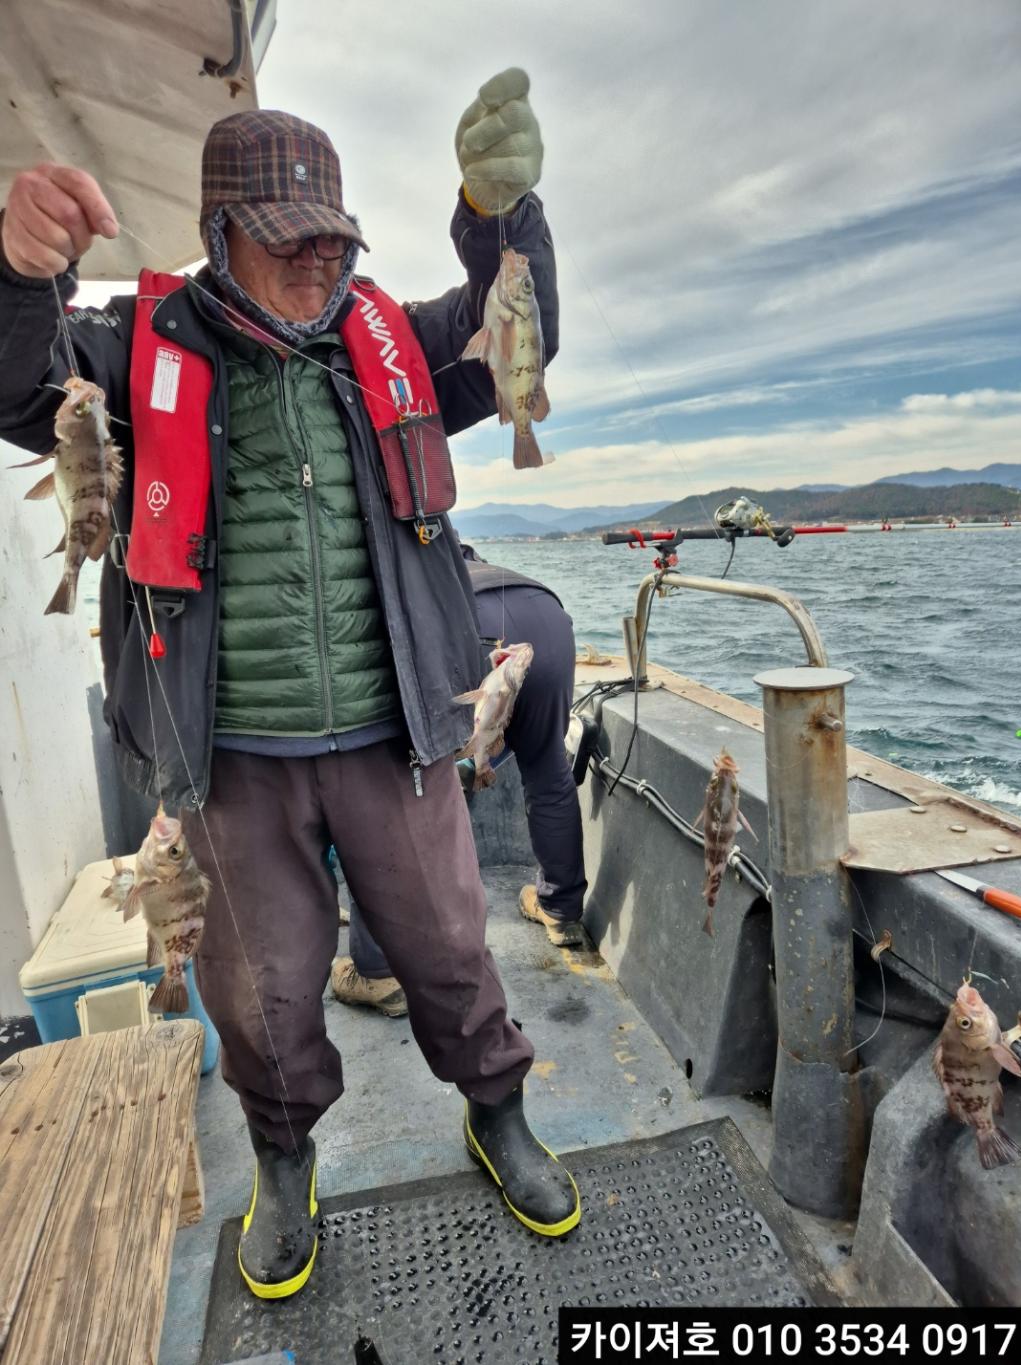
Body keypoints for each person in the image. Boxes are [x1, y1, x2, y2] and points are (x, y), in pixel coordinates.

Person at [0, 70, 579, 1301]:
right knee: (257, 992)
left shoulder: (393, 344)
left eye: (334, 239)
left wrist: (501, 217)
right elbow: (15, 388)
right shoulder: (131, 348)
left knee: (451, 950)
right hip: (228, 757)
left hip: (393, 737)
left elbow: (511, 330)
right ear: (220, 238)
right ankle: (282, 1156)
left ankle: (499, 1110)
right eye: (288, 243)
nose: (319, 262)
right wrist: (14, 272)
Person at [333, 549, 587, 1017]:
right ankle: (561, 909)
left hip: (472, 631)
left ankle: (377, 970)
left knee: (392, 793)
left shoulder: (411, 574)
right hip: (552, 622)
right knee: (549, 765)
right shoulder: (487, 565)